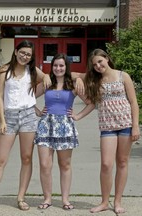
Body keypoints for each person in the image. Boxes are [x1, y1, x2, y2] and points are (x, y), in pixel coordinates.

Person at [0, 40, 84, 213]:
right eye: (22, 53)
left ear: (31, 57)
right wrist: (2, 121)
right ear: (16, 52)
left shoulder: (32, 70)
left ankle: (21, 198)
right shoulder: (4, 71)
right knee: (0, 160)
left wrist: (77, 79)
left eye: (28, 54)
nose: (25, 56)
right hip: (10, 117)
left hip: (28, 118)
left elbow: (52, 75)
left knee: (27, 158)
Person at [34, 53, 95, 211]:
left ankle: (65, 200)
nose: (58, 68)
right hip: (46, 126)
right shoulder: (47, 82)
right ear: (51, 67)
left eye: (61, 65)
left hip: (65, 126)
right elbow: (27, 97)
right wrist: (37, 111)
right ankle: (47, 198)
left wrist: (78, 116)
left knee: (65, 164)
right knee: (45, 165)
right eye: (55, 65)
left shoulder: (73, 85)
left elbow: (91, 103)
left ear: (66, 67)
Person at [84, 49, 140, 214]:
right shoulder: (95, 80)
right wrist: (78, 115)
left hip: (125, 124)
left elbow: (133, 102)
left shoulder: (123, 76)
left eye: (100, 62)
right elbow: (73, 75)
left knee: (122, 162)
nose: (98, 66)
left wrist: (135, 126)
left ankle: (117, 202)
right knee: (106, 164)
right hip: (107, 126)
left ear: (107, 59)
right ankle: (104, 202)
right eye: (94, 65)